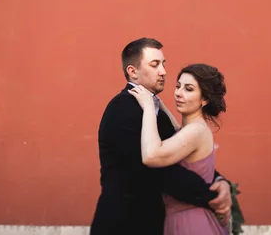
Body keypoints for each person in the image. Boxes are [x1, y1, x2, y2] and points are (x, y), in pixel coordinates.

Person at [90, 38, 232, 235]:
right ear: (133, 71)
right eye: (154, 65)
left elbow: (181, 156)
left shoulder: (157, 111)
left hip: (153, 223)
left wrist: (220, 181)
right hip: (124, 224)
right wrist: (210, 195)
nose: (163, 72)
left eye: (164, 64)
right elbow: (159, 171)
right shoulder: (123, 108)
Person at [129, 63, 229, 235]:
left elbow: (152, 155)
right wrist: (157, 103)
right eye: (177, 86)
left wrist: (148, 108)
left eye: (188, 89)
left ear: (204, 99)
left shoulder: (196, 131)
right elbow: (176, 129)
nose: (178, 93)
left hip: (191, 224)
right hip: (180, 220)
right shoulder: (189, 130)